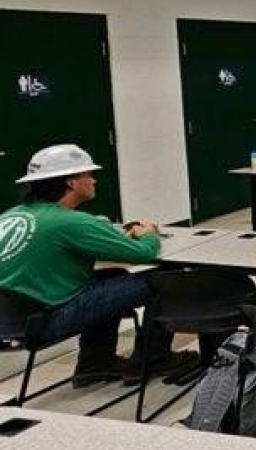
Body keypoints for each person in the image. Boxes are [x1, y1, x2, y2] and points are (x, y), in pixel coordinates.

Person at [0, 144, 198, 386]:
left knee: (109, 277)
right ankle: (154, 359)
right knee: (166, 278)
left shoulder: (11, 215)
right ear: (71, 182)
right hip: (42, 322)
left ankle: (95, 362)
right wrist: (148, 234)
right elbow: (142, 253)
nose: (94, 180)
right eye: (88, 174)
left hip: (10, 320)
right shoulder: (70, 222)